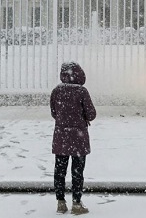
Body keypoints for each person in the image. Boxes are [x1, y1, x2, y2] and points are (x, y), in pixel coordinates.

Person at [50, 61, 97, 215]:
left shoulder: (57, 91)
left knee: (60, 170)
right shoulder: (82, 91)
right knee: (77, 171)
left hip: (61, 137)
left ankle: (60, 203)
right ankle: (77, 204)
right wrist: (81, 117)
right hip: (78, 138)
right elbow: (91, 114)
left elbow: (54, 112)